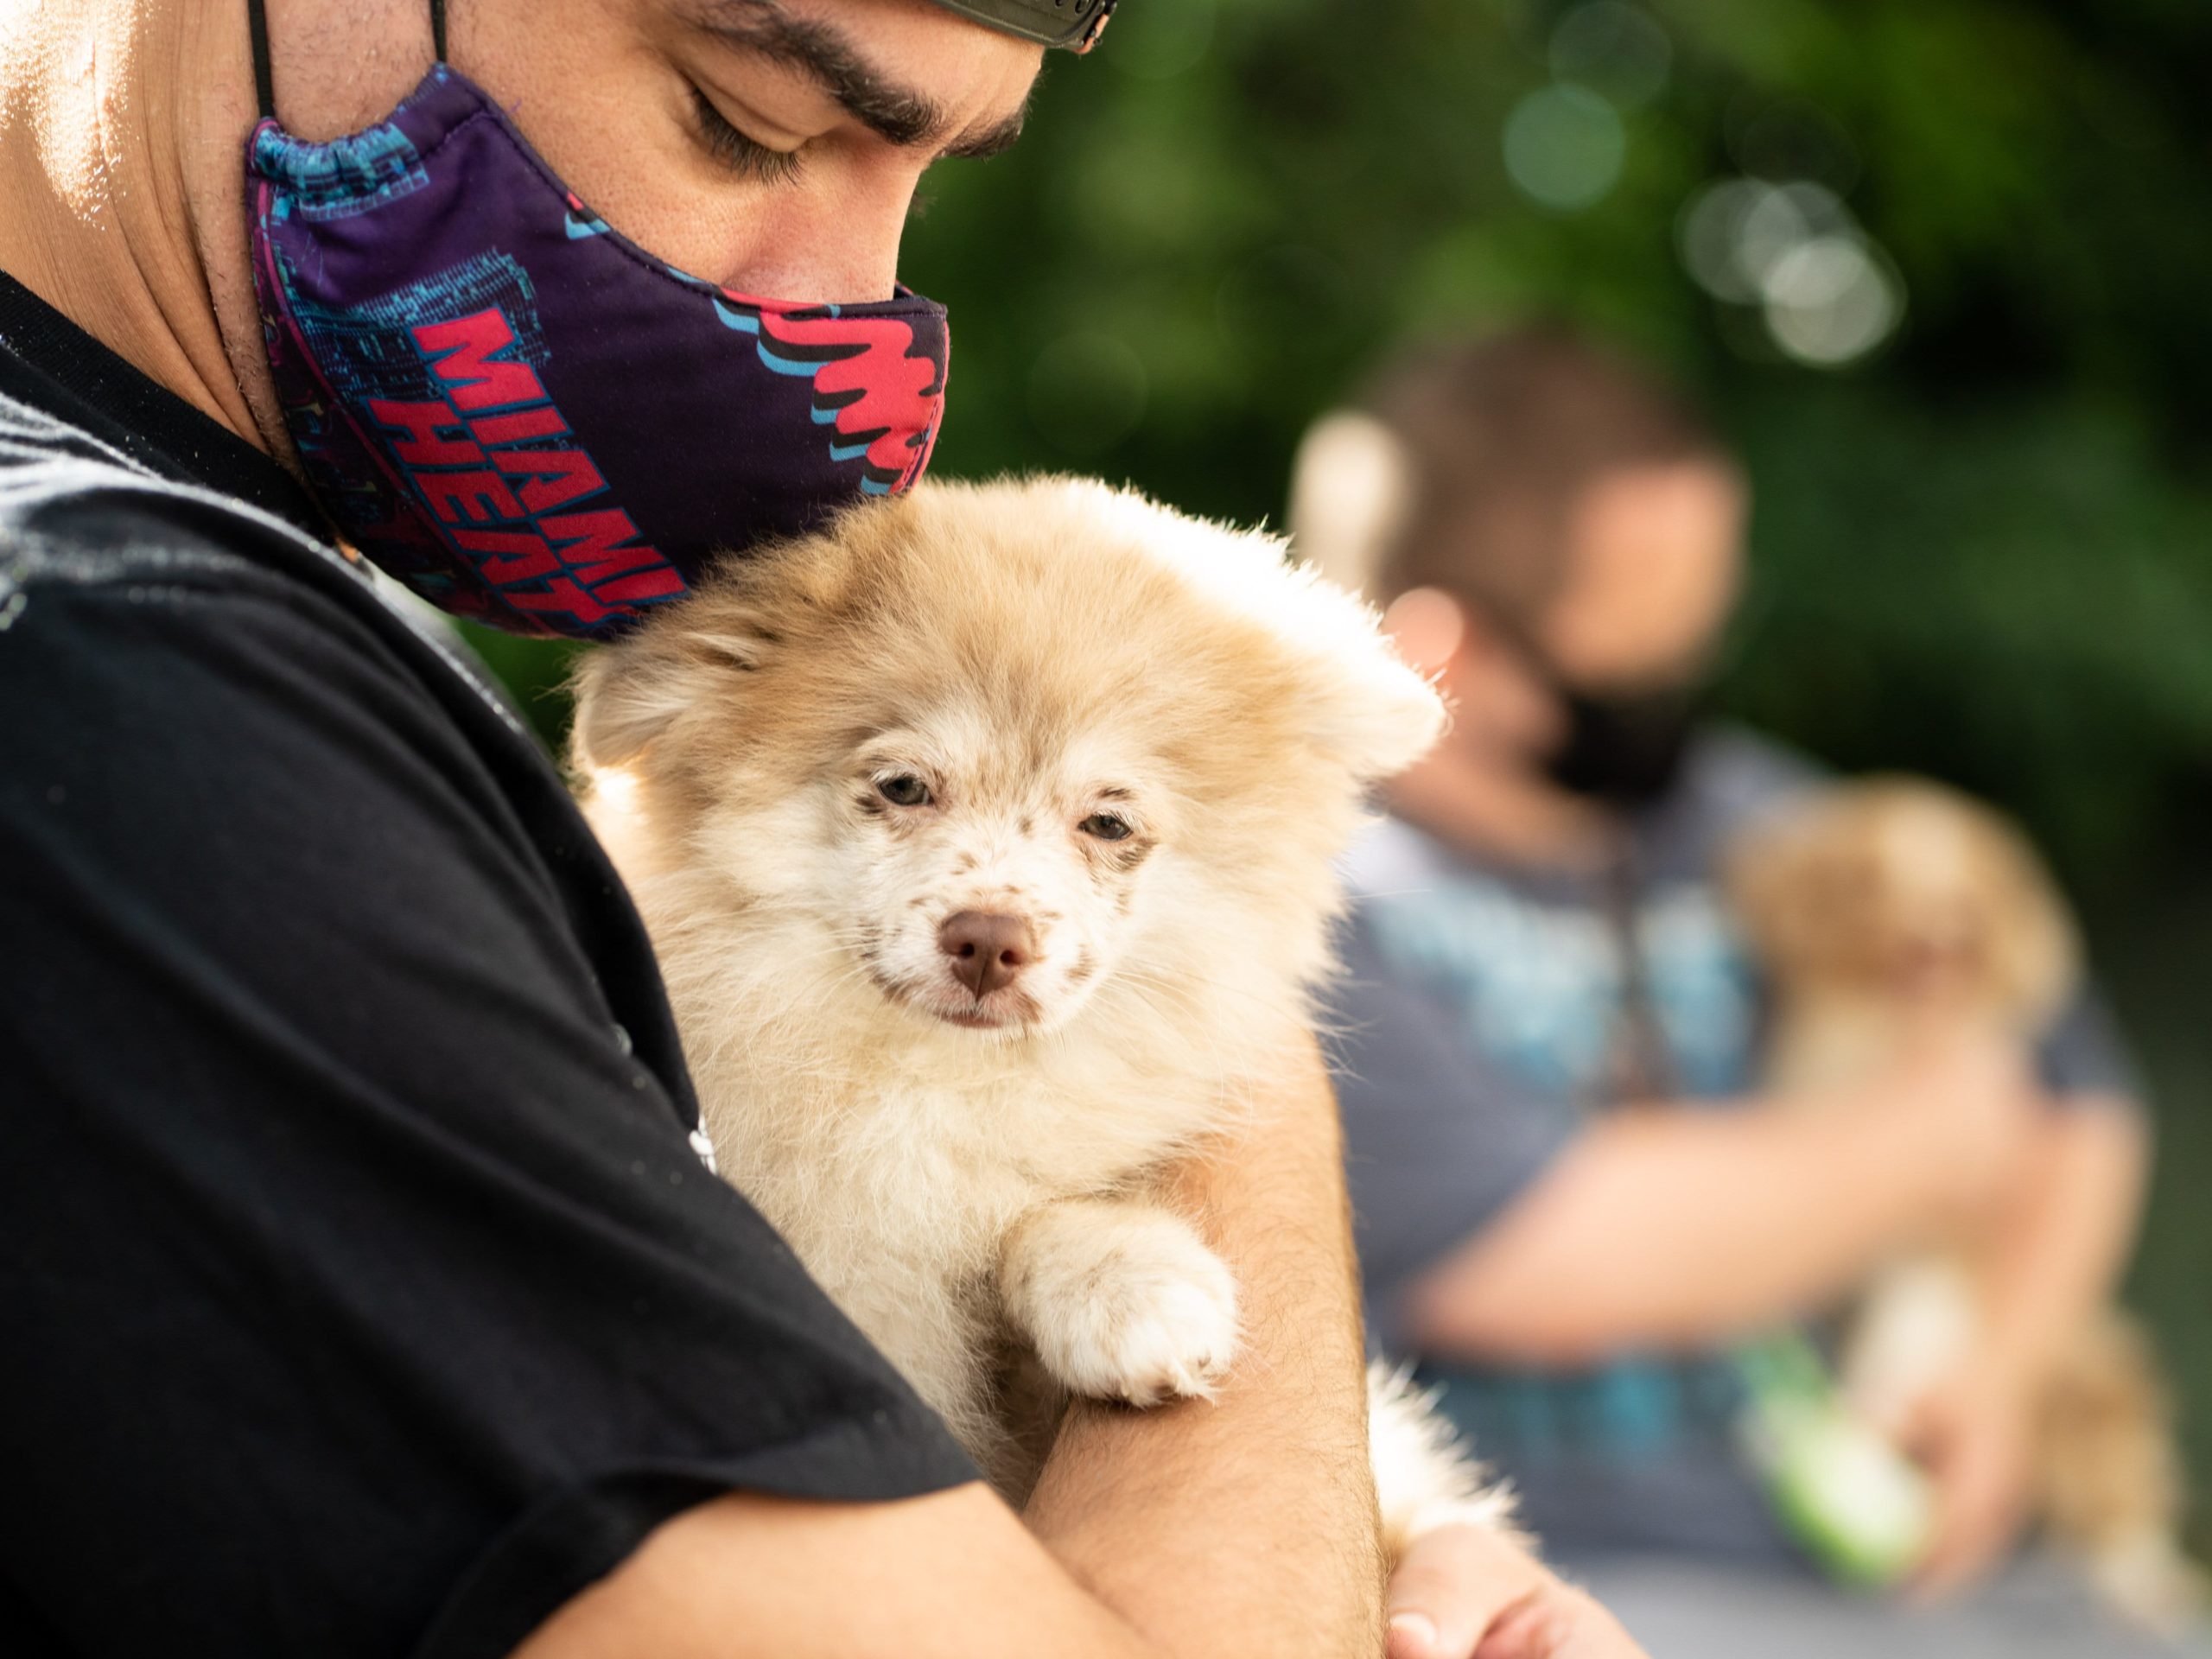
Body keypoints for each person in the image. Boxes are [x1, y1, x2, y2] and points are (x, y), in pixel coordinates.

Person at [0, 5, 1641, 1657]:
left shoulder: (274, 594)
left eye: (921, 177)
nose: (847, 311)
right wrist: (1230, 1076)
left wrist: (1379, 1529)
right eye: (747, 121)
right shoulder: (118, 678)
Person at [1295, 327, 2178, 1653]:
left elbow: (2077, 1102)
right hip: (1575, 1589)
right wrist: (1932, 1132)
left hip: (1924, 1568)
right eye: (1643, 654)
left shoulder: (1762, 818)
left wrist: (1996, 1374)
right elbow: (1543, 1255)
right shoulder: (1313, 899)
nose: (1689, 674)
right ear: (1449, 659)